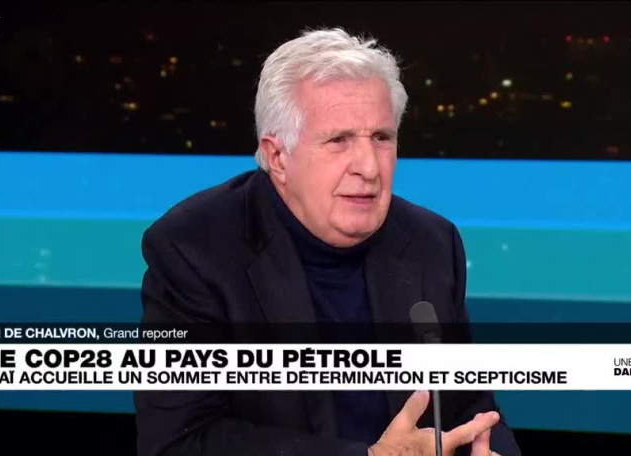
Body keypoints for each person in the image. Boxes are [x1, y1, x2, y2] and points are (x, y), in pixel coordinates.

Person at [135, 28, 522, 456]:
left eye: (382, 138)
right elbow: (179, 441)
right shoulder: (193, 250)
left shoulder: (432, 243)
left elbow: (472, 409)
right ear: (278, 156)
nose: (369, 168)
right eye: (339, 140)